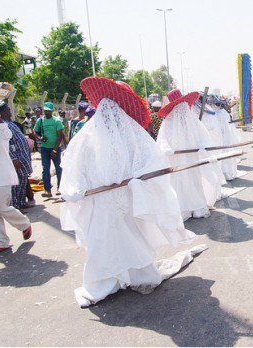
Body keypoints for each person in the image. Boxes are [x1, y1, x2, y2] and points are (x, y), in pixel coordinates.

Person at [60, 77, 200, 308]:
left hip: (124, 199)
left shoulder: (129, 135)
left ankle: (132, 275)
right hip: (100, 202)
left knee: (123, 237)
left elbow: (151, 163)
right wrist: (75, 191)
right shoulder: (86, 138)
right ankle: (107, 281)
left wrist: (137, 179)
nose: (110, 117)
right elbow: (73, 172)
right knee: (105, 240)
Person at [157, 89, 224, 220]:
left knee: (194, 181)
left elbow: (203, 136)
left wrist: (202, 148)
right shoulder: (167, 123)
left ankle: (197, 207)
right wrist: (166, 149)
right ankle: (183, 209)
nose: (181, 110)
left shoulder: (192, 120)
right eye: (178, 107)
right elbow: (161, 140)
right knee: (179, 183)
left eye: (183, 106)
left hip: (192, 158)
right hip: (176, 159)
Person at [0, 105, 32, 252]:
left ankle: (24, 223)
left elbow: (7, 136)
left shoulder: (1, 127)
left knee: (0, 205)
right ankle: (0, 241)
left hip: (1, 174)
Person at [0, 102, 33, 210]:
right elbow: (7, 144)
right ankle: (15, 205)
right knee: (17, 181)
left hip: (22, 156)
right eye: (7, 110)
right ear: (2, 112)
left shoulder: (10, 123)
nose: (10, 111)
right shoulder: (1, 125)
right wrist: (14, 158)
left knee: (23, 179)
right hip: (16, 158)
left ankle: (21, 202)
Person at [34, 101, 64, 197]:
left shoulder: (56, 121)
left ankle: (60, 187)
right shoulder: (40, 121)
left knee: (58, 168)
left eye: (49, 111)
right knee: (45, 169)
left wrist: (55, 150)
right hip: (44, 149)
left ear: (52, 111)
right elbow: (36, 132)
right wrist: (40, 138)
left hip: (55, 149)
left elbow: (60, 136)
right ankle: (47, 190)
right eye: (46, 110)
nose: (47, 112)